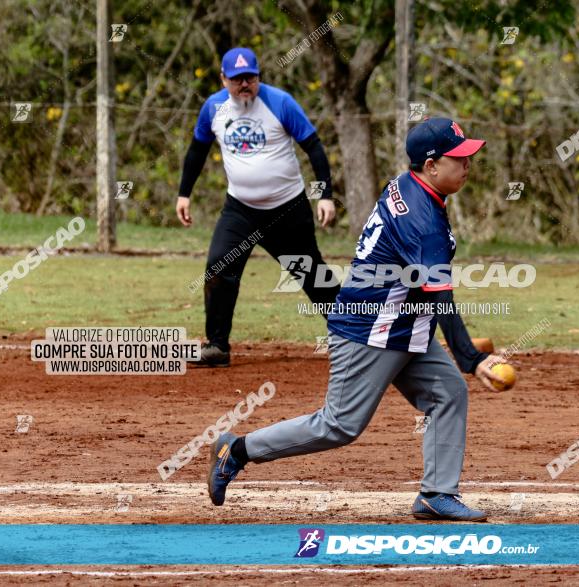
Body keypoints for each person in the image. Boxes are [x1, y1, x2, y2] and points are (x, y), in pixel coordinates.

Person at [207, 118, 509, 521]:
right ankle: (237, 449)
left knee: (448, 393)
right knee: (339, 425)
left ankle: (437, 494)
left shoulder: (410, 184)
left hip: (403, 323)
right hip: (370, 330)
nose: (468, 164)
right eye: (459, 158)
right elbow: (440, 295)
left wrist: (463, 354)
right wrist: (471, 358)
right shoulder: (422, 219)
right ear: (432, 165)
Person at [176, 47, 339, 366]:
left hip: (287, 208)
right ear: (223, 79)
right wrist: (184, 194)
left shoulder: (280, 102)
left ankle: (352, 334)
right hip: (240, 209)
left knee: (310, 272)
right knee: (219, 266)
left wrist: (326, 195)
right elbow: (196, 151)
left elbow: (314, 148)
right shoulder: (213, 108)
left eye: (250, 77)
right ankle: (218, 347)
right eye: (236, 79)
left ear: (259, 76)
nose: (244, 84)